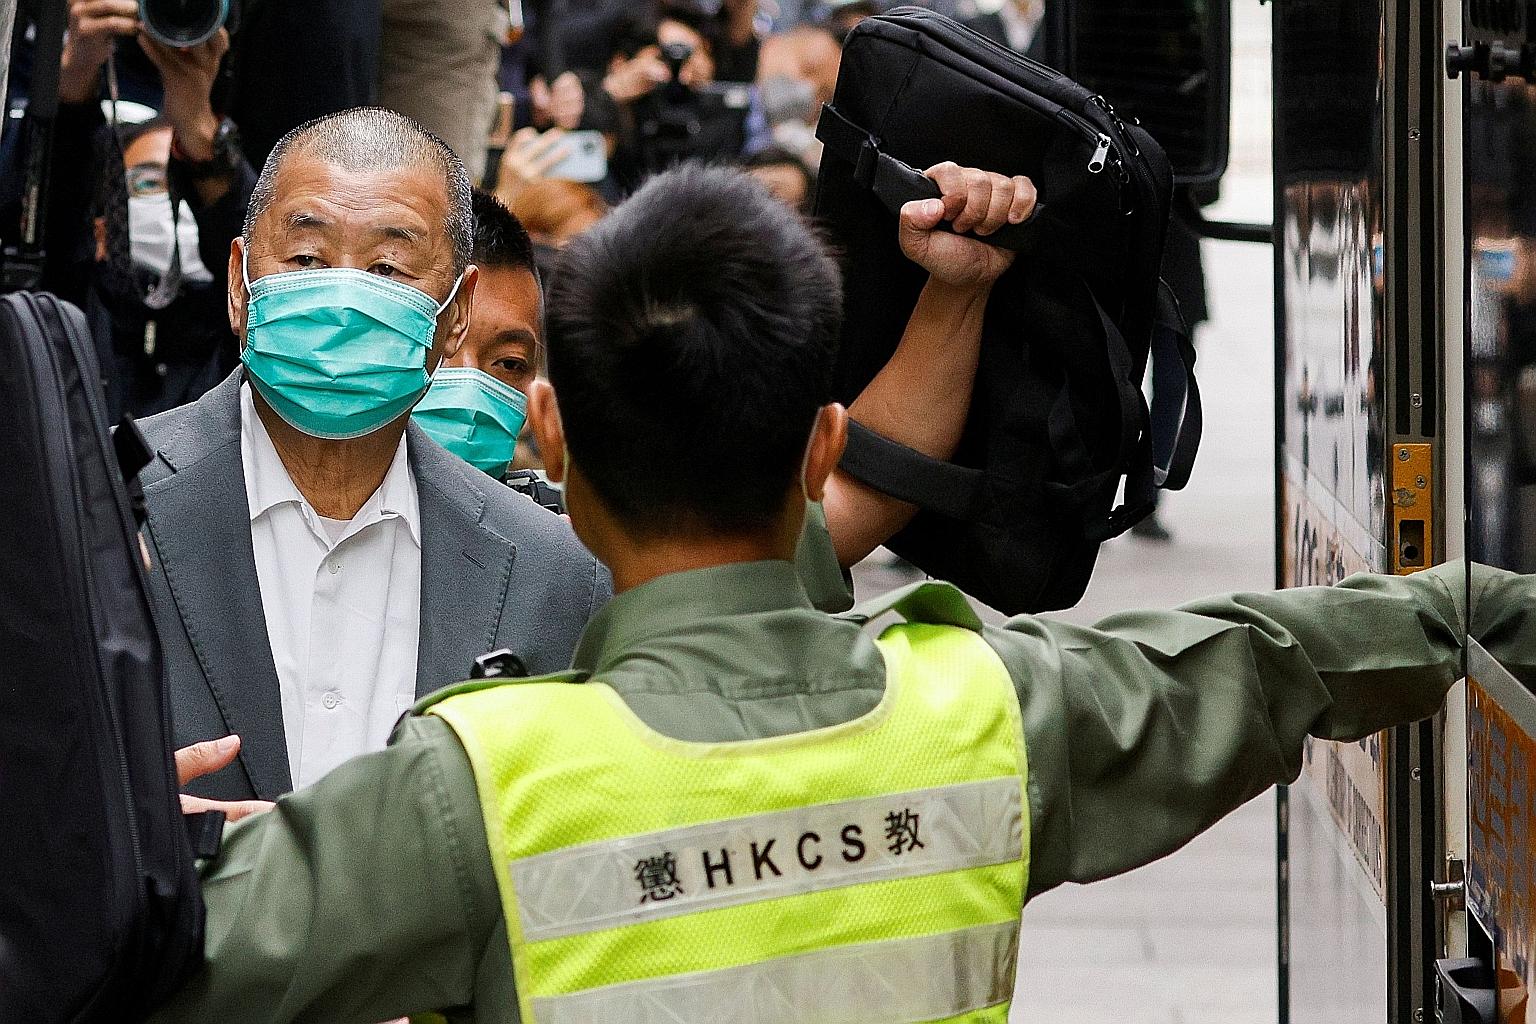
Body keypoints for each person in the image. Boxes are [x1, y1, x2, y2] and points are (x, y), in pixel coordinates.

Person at [147, 165, 1462, 1023]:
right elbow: (1282, 656)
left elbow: (136, 963)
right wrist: (1483, 615)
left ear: (549, 434)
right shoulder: (990, 714)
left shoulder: (466, 795)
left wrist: (133, 828)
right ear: (820, 447)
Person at [136, 107, 607, 802]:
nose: (344, 297)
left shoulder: (558, 577)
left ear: (455, 315)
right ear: (239, 285)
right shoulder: (101, 507)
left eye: (389, 268)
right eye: (306, 259)